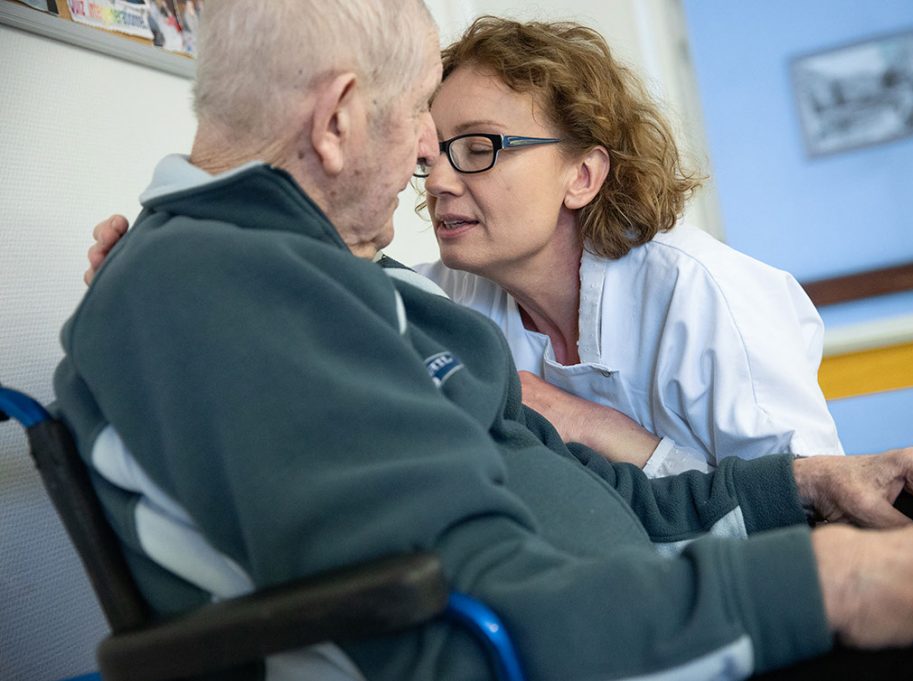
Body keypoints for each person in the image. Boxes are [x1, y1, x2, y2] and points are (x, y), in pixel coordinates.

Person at [62, 1, 913, 681]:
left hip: (639, 604)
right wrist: (837, 580)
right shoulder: (232, 285)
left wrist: (809, 485)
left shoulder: (348, 283)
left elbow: (615, 504)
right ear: (342, 118)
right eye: (420, 122)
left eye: (464, 143)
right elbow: (480, 622)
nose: (425, 168)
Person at [88, 18, 844, 479]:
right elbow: (306, 299)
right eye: (432, 148)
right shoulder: (451, 293)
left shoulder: (708, 297)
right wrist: (158, 267)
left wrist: (600, 430)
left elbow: (819, 516)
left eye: (478, 147)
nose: (439, 178)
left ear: (582, 174)